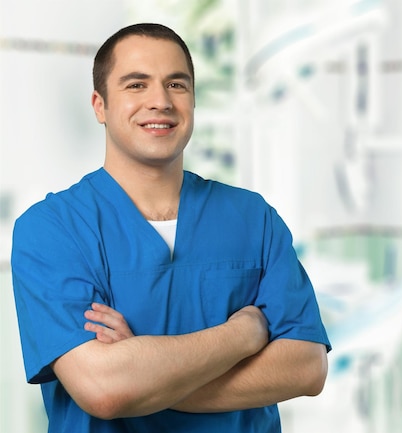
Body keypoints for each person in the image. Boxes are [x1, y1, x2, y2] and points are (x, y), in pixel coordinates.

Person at [11, 23, 331, 433]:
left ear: (193, 100)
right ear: (100, 105)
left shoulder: (254, 219)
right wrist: (244, 334)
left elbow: (307, 368)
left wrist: (143, 377)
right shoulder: (51, 230)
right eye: (136, 85)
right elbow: (103, 388)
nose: (160, 101)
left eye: (176, 85)